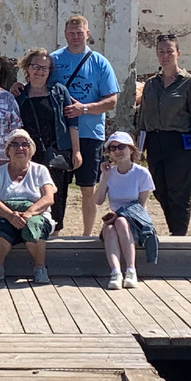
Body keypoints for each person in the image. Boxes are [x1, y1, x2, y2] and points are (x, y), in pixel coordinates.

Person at [50, 15, 121, 235]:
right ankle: (55, 230)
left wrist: (85, 109)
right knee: (56, 187)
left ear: (87, 34)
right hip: (60, 133)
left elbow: (112, 100)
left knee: (88, 187)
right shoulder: (54, 60)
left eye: (79, 33)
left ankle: (87, 235)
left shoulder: (99, 62)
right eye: (71, 33)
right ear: (65, 34)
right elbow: (38, 84)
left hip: (90, 133)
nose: (75, 37)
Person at [136, 33, 191, 237]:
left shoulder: (190, 83)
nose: (165, 56)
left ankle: (178, 235)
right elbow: (143, 118)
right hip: (155, 142)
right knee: (160, 190)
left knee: (179, 192)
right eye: (161, 52)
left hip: (180, 143)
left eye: (169, 51)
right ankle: (175, 230)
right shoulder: (151, 84)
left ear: (178, 53)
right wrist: (138, 148)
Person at [14, 48, 82, 232]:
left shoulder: (59, 92)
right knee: (30, 194)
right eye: (36, 66)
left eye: (44, 68)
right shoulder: (19, 95)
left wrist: (76, 151)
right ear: (27, 68)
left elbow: (72, 123)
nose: (40, 71)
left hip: (55, 152)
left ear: (50, 71)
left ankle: (55, 235)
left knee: (56, 196)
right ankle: (31, 232)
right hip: (28, 154)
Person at [0, 129, 56, 284]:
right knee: (1, 228)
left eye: (25, 144)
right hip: (8, 215)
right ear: (7, 150)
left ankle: (40, 268)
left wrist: (29, 213)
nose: (20, 148)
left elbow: (48, 198)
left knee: (35, 226)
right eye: (15, 144)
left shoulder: (40, 170)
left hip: (36, 215)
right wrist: (10, 215)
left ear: (31, 150)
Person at [94, 131, 159, 289]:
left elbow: (141, 206)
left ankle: (131, 270)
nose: (117, 151)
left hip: (135, 221)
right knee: (110, 229)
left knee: (121, 222)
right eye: (113, 148)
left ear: (131, 149)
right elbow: (98, 200)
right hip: (113, 221)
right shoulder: (109, 173)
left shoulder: (141, 173)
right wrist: (105, 177)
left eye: (121, 146)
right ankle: (116, 272)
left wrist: (120, 215)